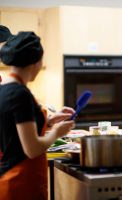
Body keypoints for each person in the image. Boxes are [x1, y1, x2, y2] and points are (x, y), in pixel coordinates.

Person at [0, 31, 75, 200]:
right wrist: (57, 132)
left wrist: (49, 121)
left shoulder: (5, 89)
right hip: (20, 181)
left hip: (11, 177)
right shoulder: (20, 93)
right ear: (35, 62)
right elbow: (32, 149)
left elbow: (14, 130)